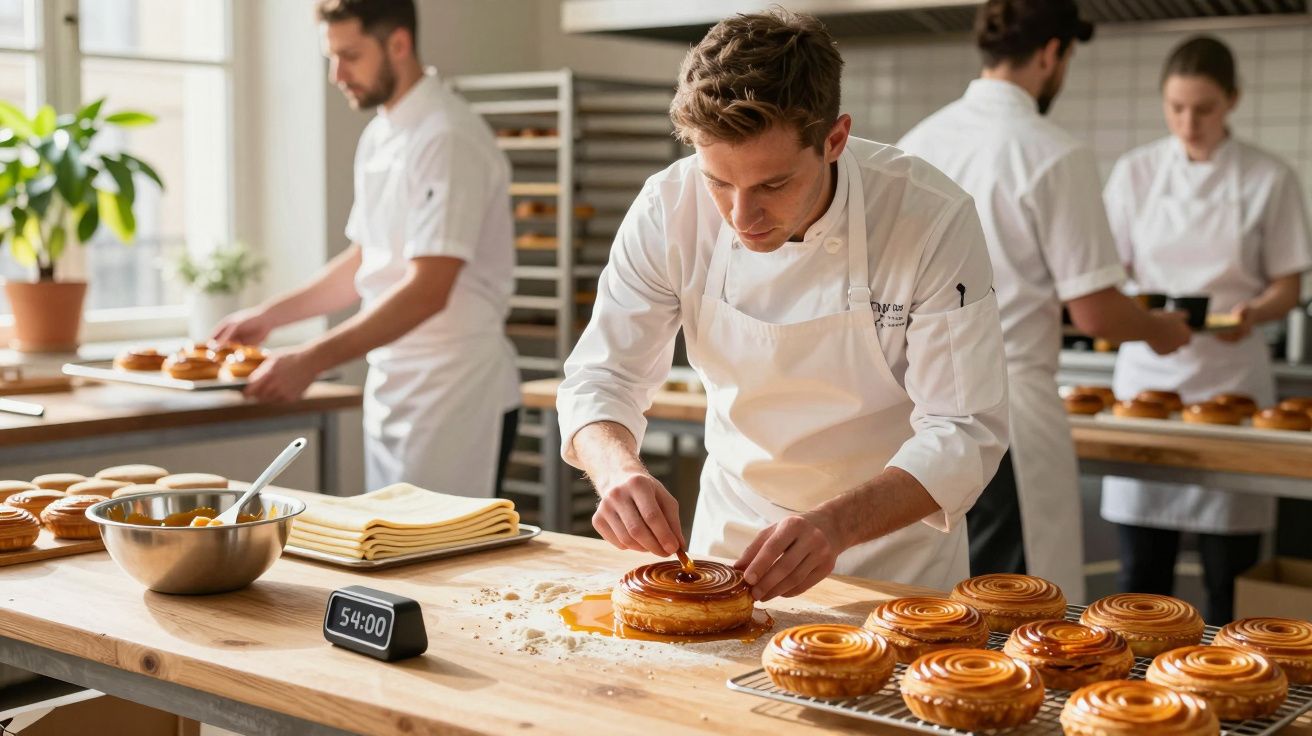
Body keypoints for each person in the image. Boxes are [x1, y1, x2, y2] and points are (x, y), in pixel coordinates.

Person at [557, 9, 1010, 601]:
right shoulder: (669, 208)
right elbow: (601, 376)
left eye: (772, 185)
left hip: (892, 561)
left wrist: (836, 525)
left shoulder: (927, 218)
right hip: (731, 541)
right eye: (719, 181)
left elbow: (964, 428)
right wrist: (617, 470)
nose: (742, 217)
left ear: (835, 140)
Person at [897, 0, 1192, 602]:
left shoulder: (916, 144)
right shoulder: (1052, 152)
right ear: (1053, 52)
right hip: (1007, 417)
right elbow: (1096, 312)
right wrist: (1160, 329)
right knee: (1019, 613)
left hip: (910, 410)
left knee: (934, 602)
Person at [214, 0, 520, 498]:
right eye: (331, 57)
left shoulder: (448, 136)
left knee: (437, 567)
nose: (337, 74)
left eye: (350, 55)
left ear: (398, 44)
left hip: (455, 396)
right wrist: (270, 317)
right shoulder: (380, 135)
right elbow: (365, 260)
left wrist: (310, 359)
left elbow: (427, 290)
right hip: (394, 386)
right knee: (387, 552)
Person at [1102, 35, 1312, 623]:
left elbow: (1287, 288)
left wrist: (1253, 313)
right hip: (1147, 382)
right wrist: (1140, 317)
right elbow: (1109, 276)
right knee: (1139, 582)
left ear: (1233, 101)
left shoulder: (1269, 178)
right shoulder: (1135, 173)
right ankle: (1139, 708)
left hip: (1232, 381)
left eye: (1204, 108)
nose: (1188, 122)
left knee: (1230, 586)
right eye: (1176, 107)